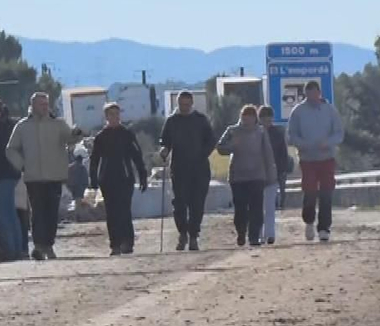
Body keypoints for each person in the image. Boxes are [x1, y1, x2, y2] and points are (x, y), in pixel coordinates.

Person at [6, 92, 80, 261]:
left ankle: (49, 245)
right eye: (41, 104)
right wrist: (22, 165)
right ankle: (39, 246)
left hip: (54, 175)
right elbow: (11, 149)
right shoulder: (23, 126)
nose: (45, 107)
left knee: (52, 213)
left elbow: (70, 139)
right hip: (34, 177)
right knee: (38, 212)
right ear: (33, 106)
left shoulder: (58, 124)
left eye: (46, 104)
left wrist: (77, 134)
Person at [287, 81, 344, 241]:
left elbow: (339, 133)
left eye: (314, 94)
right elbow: (291, 135)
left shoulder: (330, 110)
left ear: (319, 93)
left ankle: (324, 228)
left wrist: (328, 142)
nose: (312, 97)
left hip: (327, 157)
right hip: (307, 159)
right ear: (305, 94)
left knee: (326, 192)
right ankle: (309, 221)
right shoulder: (298, 111)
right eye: (308, 94)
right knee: (310, 192)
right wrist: (303, 144)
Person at [159, 91, 216, 251]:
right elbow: (164, 140)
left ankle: (193, 236)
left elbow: (211, 140)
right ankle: (182, 233)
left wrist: (201, 154)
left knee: (197, 204)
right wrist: (164, 150)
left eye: (187, 104)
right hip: (179, 169)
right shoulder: (172, 121)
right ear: (178, 104)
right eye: (181, 104)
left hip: (200, 169)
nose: (184, 107)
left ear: (191, 103)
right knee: (179, 203)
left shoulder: (200, 120)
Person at [89, 103, 148, 255]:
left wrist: (143, 176)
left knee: (124, 211)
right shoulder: (101, 137)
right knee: (111, 212)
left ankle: (127, 242)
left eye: (117, 114)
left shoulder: (127, 134)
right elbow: (94, 160)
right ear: (106, 117)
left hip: (125, 178)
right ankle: (115, 244)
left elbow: (137, 156)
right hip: (107, 179)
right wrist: (93, 180)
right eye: (111, 114)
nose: (114, 117)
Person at [217, 105, 278, 248]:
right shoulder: (232, 131)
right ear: (241, 117)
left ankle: (254, 237)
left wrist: (271, 174)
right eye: (245, 118)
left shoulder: (261, 132)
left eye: (250, 118)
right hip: (238, 177)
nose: (247, 121)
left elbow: (268, 153)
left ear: (255, 118)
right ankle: (241, 232)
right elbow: (220, 147)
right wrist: (232, 146)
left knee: (256, 208)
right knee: (240, 208)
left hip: (257, 176)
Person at [0, 98, 26, 262]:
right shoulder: (8, 125)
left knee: (1, 214)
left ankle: (8, 249)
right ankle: (17, 248)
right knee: (10, 213)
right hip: (11, 173)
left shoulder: (1, 127)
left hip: (3, 173)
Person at [259, 105, 292, 245]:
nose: (266, 121)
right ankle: (258, 234)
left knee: (270, 206)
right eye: (264, 119)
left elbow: (283, 154)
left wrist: (282, 171)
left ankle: (270, 234)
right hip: (257, 174)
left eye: (269, 119)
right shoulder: (255, 133)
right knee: (257, 207)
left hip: (273, 174)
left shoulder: (277, 134)